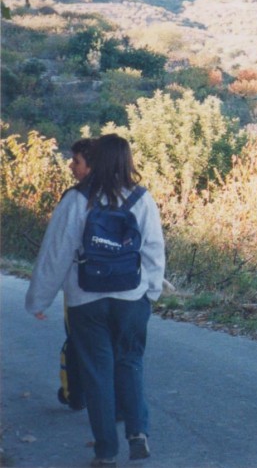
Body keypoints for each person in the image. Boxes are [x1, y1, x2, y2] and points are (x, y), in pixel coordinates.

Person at [26, 134, 166, 467]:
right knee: (130, 363)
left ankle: (105, 452)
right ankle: (137, 432)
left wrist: (38, 301)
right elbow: (154, 249)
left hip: (85, 300)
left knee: (97, 374)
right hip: (131, 297)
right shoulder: (141, 200)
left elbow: (55, 255)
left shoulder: (76, 200)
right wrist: (152, 291)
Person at [57, 137, 95, 412]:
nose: (71, 166)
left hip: (79, 286)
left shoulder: (74, 197)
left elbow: (58, 246)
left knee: (76, 341)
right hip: (118, 287)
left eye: (76, 162)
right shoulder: (125, 195)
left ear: (91, 166)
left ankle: (74, 393)